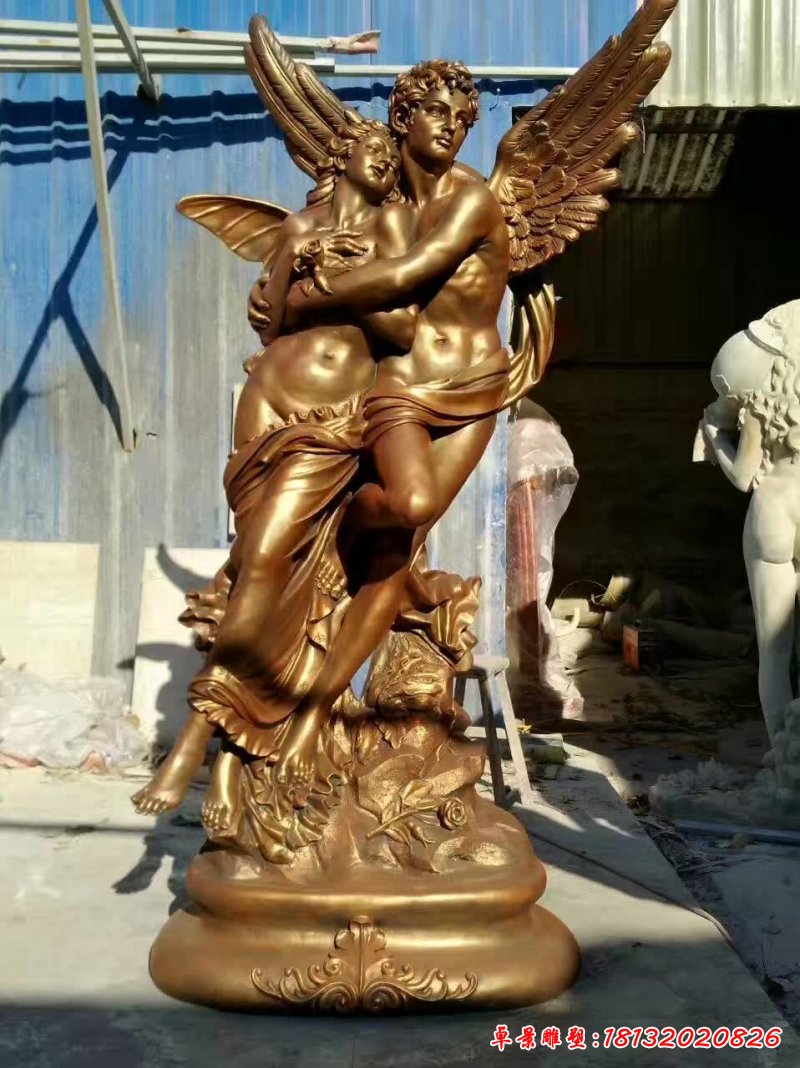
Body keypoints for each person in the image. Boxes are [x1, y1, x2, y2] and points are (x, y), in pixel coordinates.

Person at [132, 124, 416, 827]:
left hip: (331, 418)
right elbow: (269, 319)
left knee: (266, 564)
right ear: (341, 158)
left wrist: (340, 283)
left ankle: (197, 734)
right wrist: (299, 255)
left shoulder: (391, 228)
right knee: (255, 573)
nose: (385, 158)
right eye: (373, 148)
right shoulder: (299, 226)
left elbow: (403, 328)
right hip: (264, 406)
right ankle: (234, 769)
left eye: (392, 154)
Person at [272, 60, 513, 788]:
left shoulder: (472, 200)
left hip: (474, 383)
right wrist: (289, 276)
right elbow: (310, 241)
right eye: (438, 112)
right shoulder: (379, 199)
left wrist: (313, 294)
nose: (452, 128)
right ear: (403, 116)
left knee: (394, 554)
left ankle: (314, 711)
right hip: (399, 382)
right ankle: (339, 522)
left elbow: (411, 275)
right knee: (407, 505)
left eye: (462, 120)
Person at [696, 300, 800, 784]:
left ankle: (785, 762)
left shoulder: (762, 405)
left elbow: (742, 477)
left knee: (773, 651)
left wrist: (714, 435)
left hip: (772, 512)